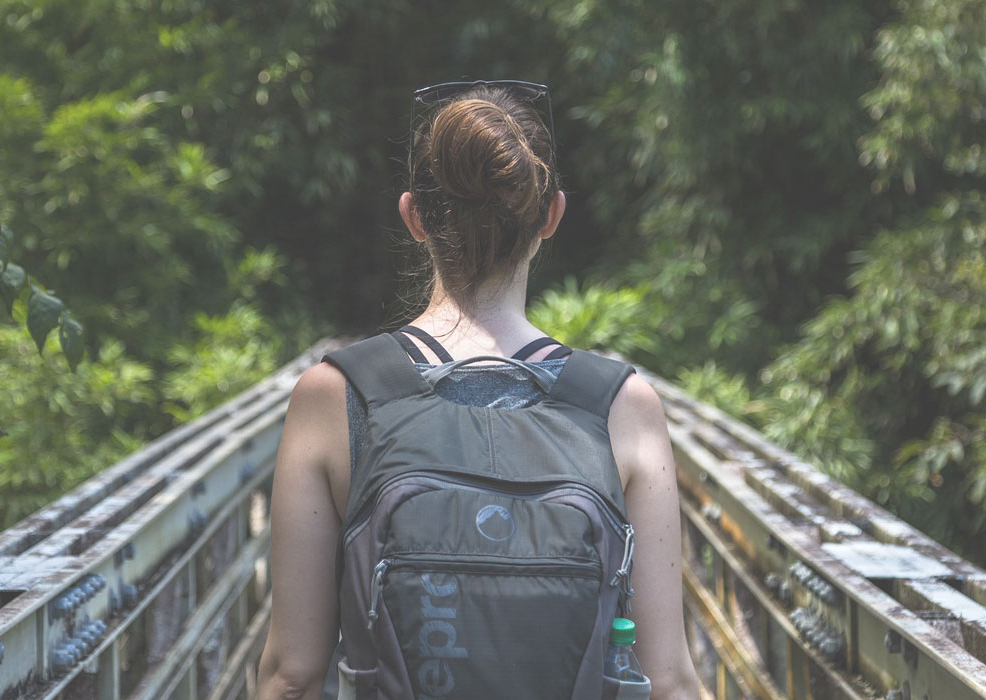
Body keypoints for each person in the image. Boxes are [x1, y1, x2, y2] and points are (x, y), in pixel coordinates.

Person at [255, 80, 700, 700]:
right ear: (551, 215)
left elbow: (292, 677)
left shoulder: (337, 396)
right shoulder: (621, 406)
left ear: (414, 217)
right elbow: (670, 680)